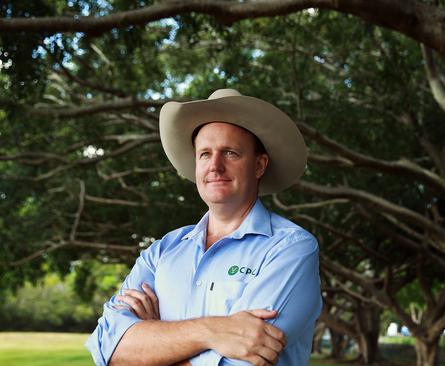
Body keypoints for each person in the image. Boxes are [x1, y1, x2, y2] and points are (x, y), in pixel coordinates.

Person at [85, 89, 323, 366]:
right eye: (205, 154)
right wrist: (212, 332)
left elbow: (245, 363)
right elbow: (108, 348)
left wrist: (154, 341)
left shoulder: (290, 248)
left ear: (259, 165)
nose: (215, 166)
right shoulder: (162, 251)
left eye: (231, 153)